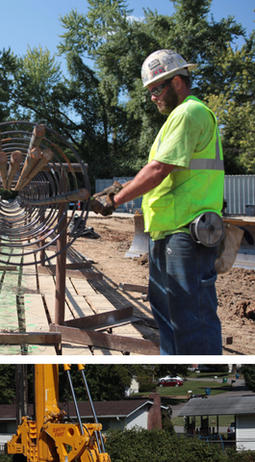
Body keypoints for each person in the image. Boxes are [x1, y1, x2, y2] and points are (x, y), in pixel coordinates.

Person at [91, 50, 224, 355]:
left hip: (186, 234)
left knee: (192, 319)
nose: (151, 97)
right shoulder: (178, 119)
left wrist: (116, 198)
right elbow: (159, 171)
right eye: (150, 91)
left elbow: (160, 169)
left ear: (177, 82)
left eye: (155, 89)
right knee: (168, 317)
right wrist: (121, 188)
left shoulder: (189, 113)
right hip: (167, 232)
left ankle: (203, 380)